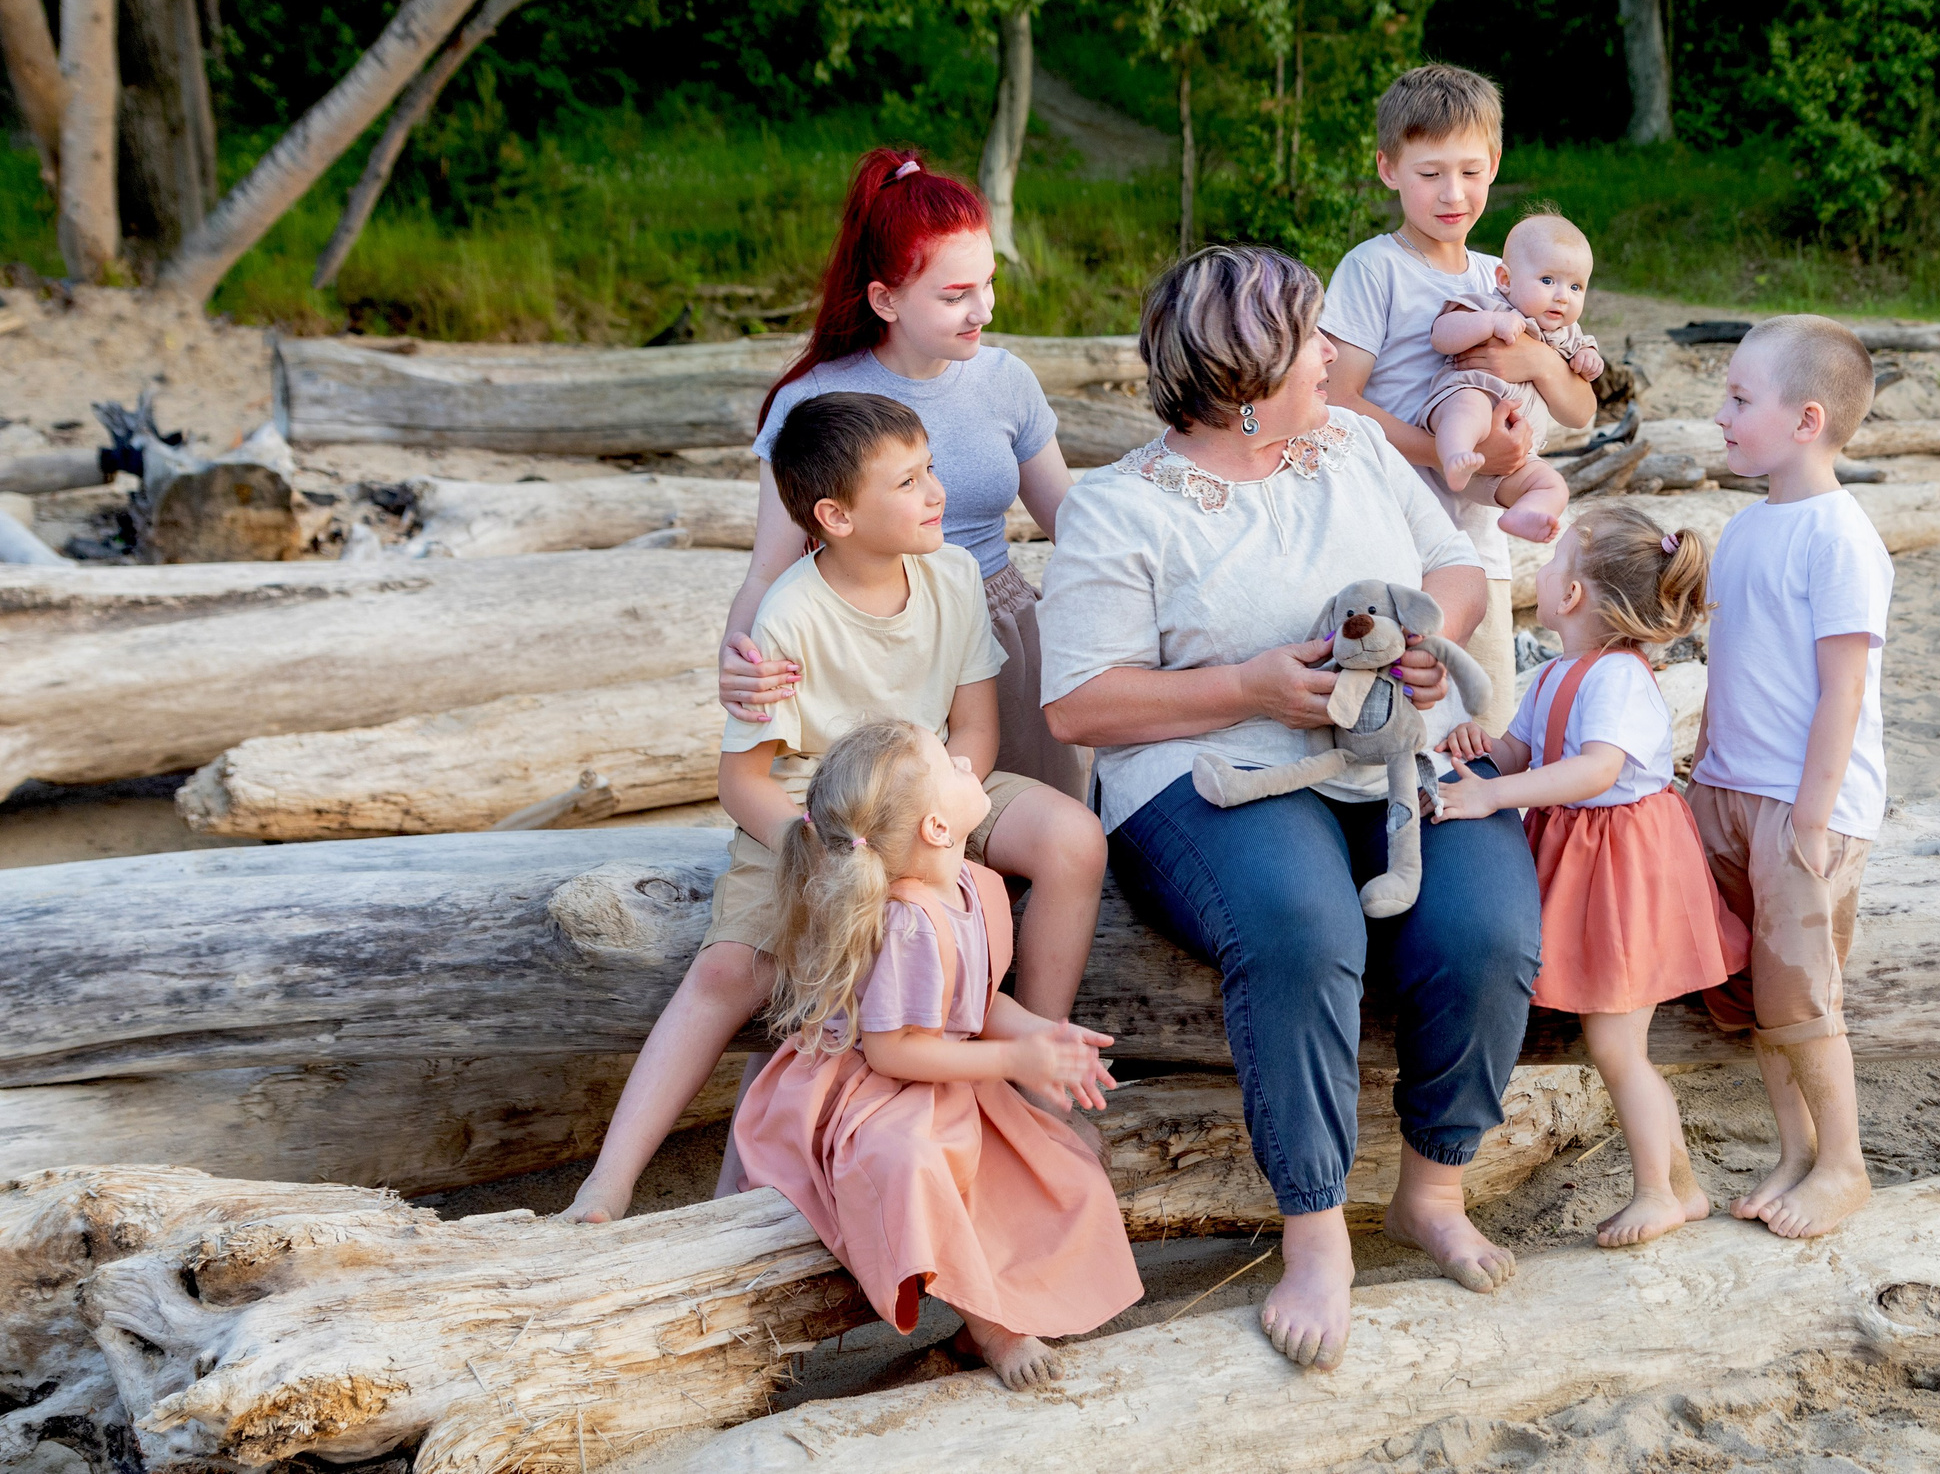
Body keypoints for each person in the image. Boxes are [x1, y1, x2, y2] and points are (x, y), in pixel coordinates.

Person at [1040, 245, 1542, 1374]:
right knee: (1302, 928)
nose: (1331, 355)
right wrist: (1248, 688)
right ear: (1243, 379)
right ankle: (1315, 1231)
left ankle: (1433, 1189)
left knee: (1490, 928)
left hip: (1386, 755)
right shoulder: (1119, 508)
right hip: (1208, 773)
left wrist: (1428, 638)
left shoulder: (1354, 444)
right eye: (1309, 339)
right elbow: (1078, 704)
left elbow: (1452, 567)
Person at [562, 392, 1106, 1223]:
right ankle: (610, 1179)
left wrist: (937, 818)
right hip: (812, 811)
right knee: (725, 971)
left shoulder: (954, 576)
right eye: (909, 481)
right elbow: (742, 781)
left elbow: (974, 731)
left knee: (1073, 839)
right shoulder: (790, 614)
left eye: (930, 469)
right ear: (837, 516)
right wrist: (818, 845)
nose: (937, 492)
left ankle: (1037, 1068)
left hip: (933, 781)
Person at [730, 719, 1140, 1390]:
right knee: (914, 1163)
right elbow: (891, 1051)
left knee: (1062, 1168)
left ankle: (996, 1309)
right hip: (874, 1092)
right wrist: (1012, 1064)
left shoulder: (974, 885)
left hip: (948, 1074)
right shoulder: (909, 920)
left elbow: (973, 1001)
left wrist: (1041, 1036)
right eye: (949, 766)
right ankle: (994, 1329)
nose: (964, 761)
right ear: (938, 828)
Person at [722, 145, 1089, 804]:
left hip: (998, 629)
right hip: (871, 645)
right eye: (955, 295)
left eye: (988, 283)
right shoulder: (813, 401)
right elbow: (768, 569)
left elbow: (1075, 524)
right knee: (890, 829)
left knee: (1034, 824)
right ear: (885, 299)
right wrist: (738, 658)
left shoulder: (1006, 381)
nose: (984, 310)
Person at [1434, 500, 1747, 1248]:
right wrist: (1479, 749)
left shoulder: (1617, 677)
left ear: (1572, 594)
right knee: (1614, 1043)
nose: (1542, 574)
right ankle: (1682, 1186)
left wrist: (1495, 795)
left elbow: (1595, 769)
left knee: (1616, 1046)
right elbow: (1523, 750)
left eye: (1554, 564)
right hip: (1590, 860)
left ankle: (1655, 1191)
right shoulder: (1557, 672)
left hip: (1623, 868)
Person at [1685, 315, 1892, 1240]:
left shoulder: (1840, 537)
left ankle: (1845, 1162)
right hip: (1727, 789)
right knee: (1761, 988)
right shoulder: (1743, 529)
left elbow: (1844, 688)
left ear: (1808, 420)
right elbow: (1731, 665)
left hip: (1802, 805)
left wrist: (1811, 815)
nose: (1720, 413)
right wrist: (1703, 773)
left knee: (1803, 991)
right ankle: (1796, 1150)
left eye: (1739, 398)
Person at [1320, 64, 1601, 727]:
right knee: (1392, 720)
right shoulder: (1373, 269)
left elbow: (1582, 413)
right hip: (1389, 533)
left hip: (1479, 541)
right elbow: (1336, 402)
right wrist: (1454, 453)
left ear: (1494, 165)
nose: (1453, 193)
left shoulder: (1510, 275)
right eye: (1430, 173)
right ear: (1389, 169)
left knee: (1484, 718)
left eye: (1471, 171)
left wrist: (1538, 359)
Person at [1422, 212, 1606, 543]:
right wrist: (1490, 324)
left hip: (1513, 459)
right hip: (1471, 410)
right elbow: (1441, 333)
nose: (1562, 296)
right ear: (1505, 280)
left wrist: (1588, 359)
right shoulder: (1490, 305)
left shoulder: (1568, 335)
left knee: (1553, 485)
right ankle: (1454, 457)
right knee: (1469, 407)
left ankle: (1523, 513)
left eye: (1575, 286)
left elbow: (1581, 405)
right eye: (1548, 281)